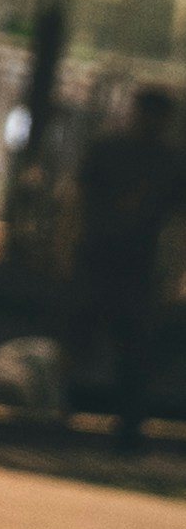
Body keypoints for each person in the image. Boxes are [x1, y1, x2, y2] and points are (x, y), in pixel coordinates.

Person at [66, 86, 186, 451]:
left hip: (132, 264)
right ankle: (73, 410)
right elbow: (79, 199)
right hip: (103, 257)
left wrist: (178, 270)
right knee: (88, 334)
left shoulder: (169, 161)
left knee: (131, 345)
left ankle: (126, 423)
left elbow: (179, 220)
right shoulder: (111, 151)